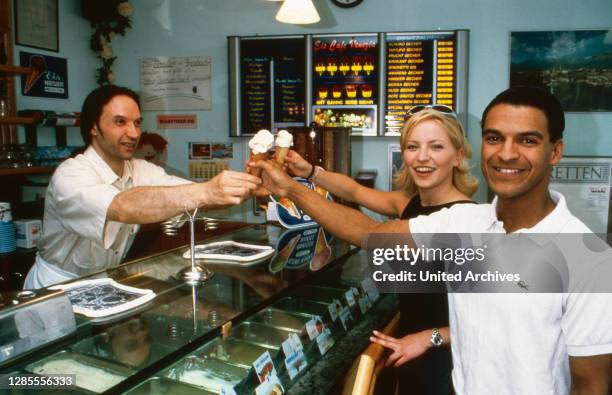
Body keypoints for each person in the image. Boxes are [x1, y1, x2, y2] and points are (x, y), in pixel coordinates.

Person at [251, 86, 612, 394]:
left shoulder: (588, 258)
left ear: (556, 151)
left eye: (528, 140)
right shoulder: (463, 222)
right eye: (494, 138)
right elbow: (368, 233)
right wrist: (290, 188)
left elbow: (590, 386)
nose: (506, 153)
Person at [279, 106, 478, 393]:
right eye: (412, 146)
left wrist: (426, 338)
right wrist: (311, 172)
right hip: (409, 350)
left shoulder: (466, 222)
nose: (422, 157)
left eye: (436, 147)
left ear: (458, 156)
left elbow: (483, 324)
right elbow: (354, 191)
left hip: (446, 362)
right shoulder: (408, 202)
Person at [25, 85, 260, 289]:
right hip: (56, 287)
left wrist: (252, 185)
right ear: (93, 127)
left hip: (101, 281)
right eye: (120, 122)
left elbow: (191, 196)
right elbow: (121, 207)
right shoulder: (71, 175)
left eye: (137, 123)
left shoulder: (139, 168)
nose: (133, 133)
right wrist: (208, 190)